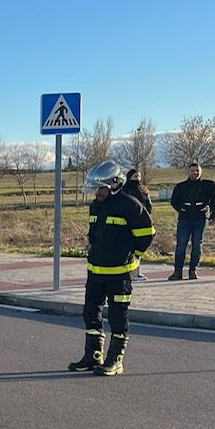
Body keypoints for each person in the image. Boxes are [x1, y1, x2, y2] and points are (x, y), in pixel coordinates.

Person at [67, 161, 155, 376]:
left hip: (120, 274)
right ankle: (93, 355)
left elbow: (146, 235)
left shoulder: (130, 205)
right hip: (96, 271)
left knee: (118, 316)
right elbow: (95, 234)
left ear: (114, 184)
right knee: (91, 313)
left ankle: (115, 359)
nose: (96, 193)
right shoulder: (96, 205)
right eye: (95, 188)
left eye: (100, 188)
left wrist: (133, 256)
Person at [168, 163, 215, 280]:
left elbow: (214, 200)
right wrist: (182, 210)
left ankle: (193, 270)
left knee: (197, 245)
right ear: (188, 172)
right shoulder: (181, 186)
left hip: (200, 218)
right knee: (181, 245)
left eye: (197, 171)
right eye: (192, 170)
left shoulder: (207, 185)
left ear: (201, 172)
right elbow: (174, 201)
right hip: (185, 219)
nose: (195, 173)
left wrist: (213, 216)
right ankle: (177, 272)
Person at [125, 169, 153, 281]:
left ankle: (137, 272)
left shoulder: (143, 190)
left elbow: (148, 205)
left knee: (139, 248)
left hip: (142, 223)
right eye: (135, 176)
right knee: (129, 249)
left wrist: (146, 195)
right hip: (128, 223)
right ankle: (130, 272)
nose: (138, 178)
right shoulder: (125, 190)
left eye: (139, 176)